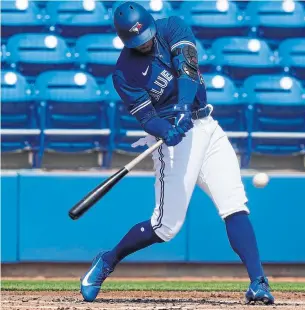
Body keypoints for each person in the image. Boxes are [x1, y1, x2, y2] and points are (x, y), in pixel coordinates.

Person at [79, 1, 274, 305]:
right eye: (137, 42)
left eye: (145, 37)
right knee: (165, 227)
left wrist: (184, 106)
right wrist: (164, 131)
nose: (144, 44)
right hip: (176, 140)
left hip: (207, 125)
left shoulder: (172, 27)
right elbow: (147, 118)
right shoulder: (124, 74)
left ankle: (258, 282)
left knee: (234, 204)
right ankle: (107, 260)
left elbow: (188, 69)